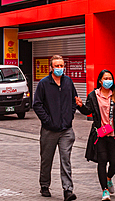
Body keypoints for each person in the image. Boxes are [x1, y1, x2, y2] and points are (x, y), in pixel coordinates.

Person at [32, 55, 90, 201]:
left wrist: (70, 116)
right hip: (49, 130)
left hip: (66, 130)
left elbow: (74, 100)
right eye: (57, 66)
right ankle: (44, 185)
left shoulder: (68, 82)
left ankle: (68, 190)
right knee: (46, 159)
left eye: (61, 66)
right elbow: (37, 105)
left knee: (66, 159)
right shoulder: (44, 84)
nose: (59, 68)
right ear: (51, 67)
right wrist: (48, 121)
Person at [82, 70, 115, 200]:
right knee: (102, 161)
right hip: (100, 134)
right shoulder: (93, 95)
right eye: (105, 78)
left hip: (114, 134)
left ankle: (109, 177)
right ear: (100, 80)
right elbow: (88, 110)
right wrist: (80, 105)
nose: (108, 80)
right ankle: (104, 190)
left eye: (110, 78)